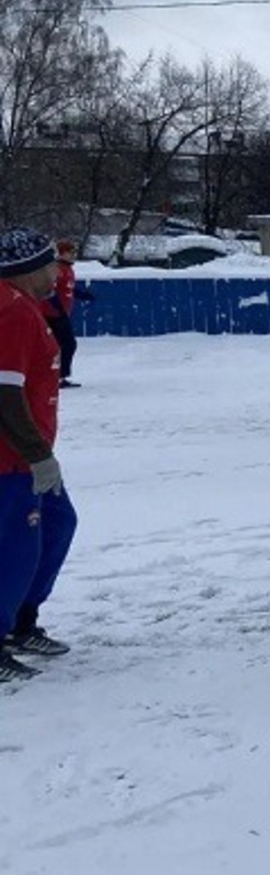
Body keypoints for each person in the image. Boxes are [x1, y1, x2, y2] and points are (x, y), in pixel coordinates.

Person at [0, 227, 78, 682]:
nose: (57, 273)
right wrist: (37, 456)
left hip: (28, 455)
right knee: (16, 548)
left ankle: (21, 620)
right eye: (51, 265)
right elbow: (4, 396)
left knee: (57, 524)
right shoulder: (10, 311)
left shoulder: (25, 306)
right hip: (12, 460)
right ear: (28, 269)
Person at [40, 239, 95, 387]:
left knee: (62, 345)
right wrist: (58, 308)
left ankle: (57, 376)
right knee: (67, 344)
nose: (73, 255)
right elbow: (49, 289)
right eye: (70, 252)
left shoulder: (68, 269)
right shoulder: (57, 268)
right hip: (53, 314)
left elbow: (68, 288)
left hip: (60, 313)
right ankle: (57, 377)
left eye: (74, 252)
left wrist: (83, 295)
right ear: (61, 253)